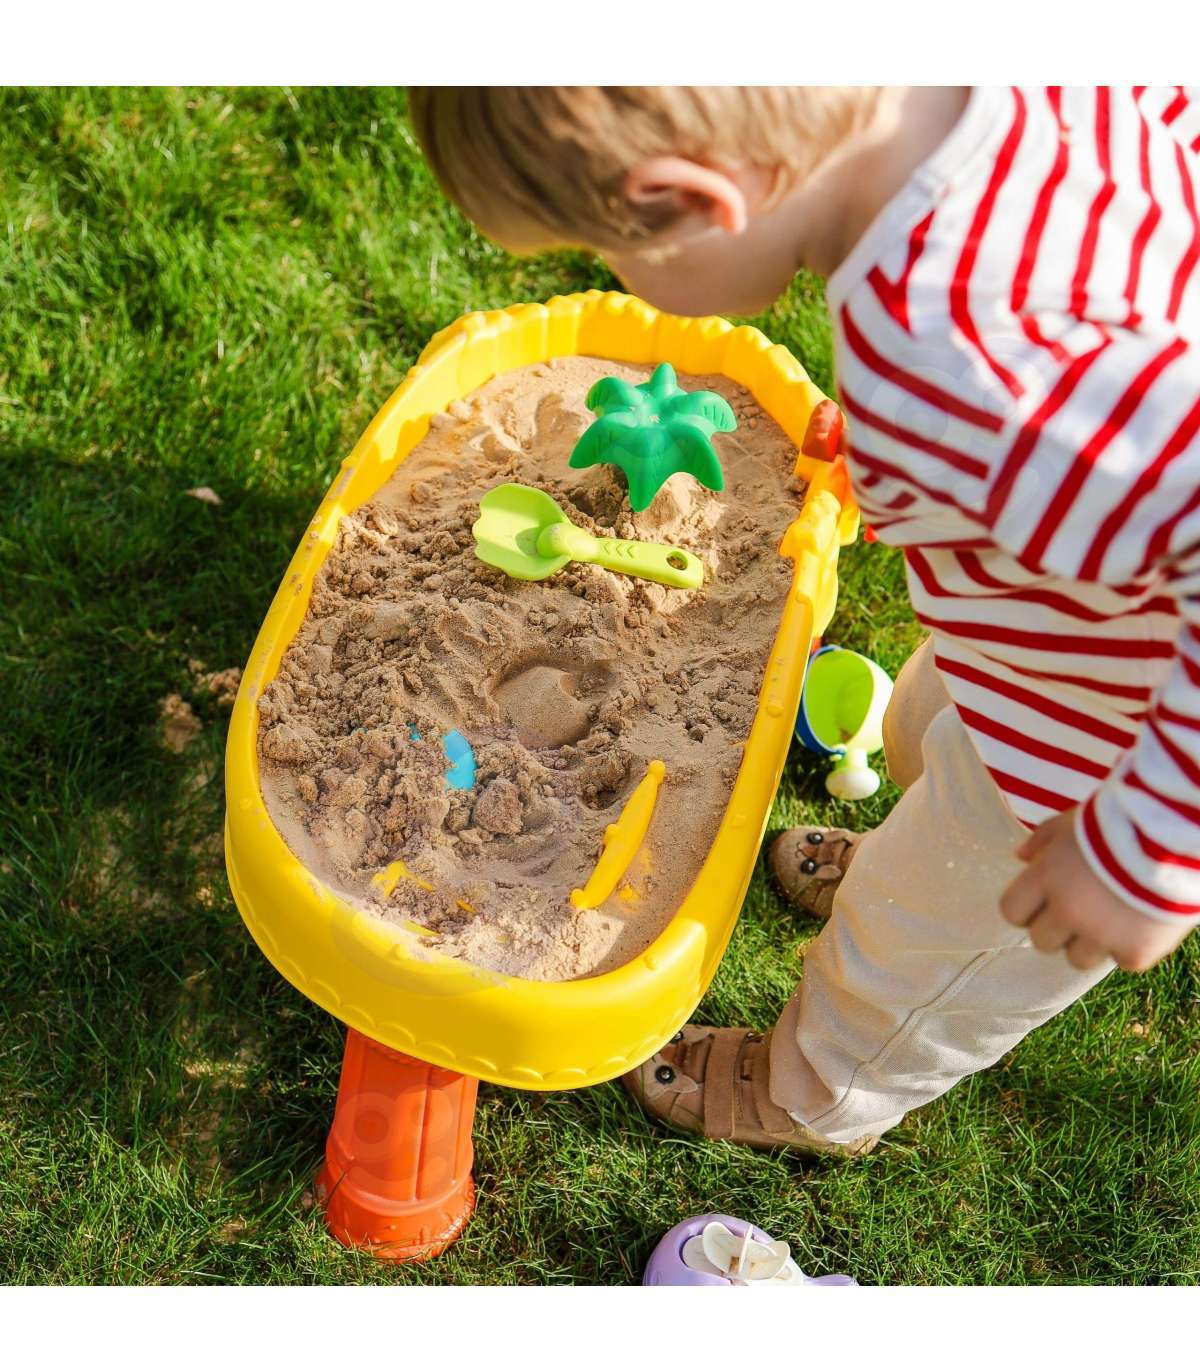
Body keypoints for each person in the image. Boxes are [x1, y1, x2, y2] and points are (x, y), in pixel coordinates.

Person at [409, 86, 1200, 1153]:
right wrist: (918, 443)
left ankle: (818, 1092)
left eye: (610, 248)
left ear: (696, 200)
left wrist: (1147, 850)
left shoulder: (969, 357)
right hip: (1053, 637)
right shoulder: (1016, 85)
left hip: (1094, 760)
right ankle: (904, 863)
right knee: (919, 735)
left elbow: (1048, 395)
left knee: (918, 948)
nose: (618, 274)